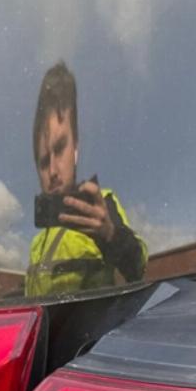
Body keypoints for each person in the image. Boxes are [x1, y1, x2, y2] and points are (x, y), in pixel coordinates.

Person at [25, 62, 147, 297]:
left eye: (60, 148)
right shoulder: (36, 243)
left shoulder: (101, 204)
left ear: (76, 149)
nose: (52, 170)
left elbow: (138, 266)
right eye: (43, 162)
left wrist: (110, 234)